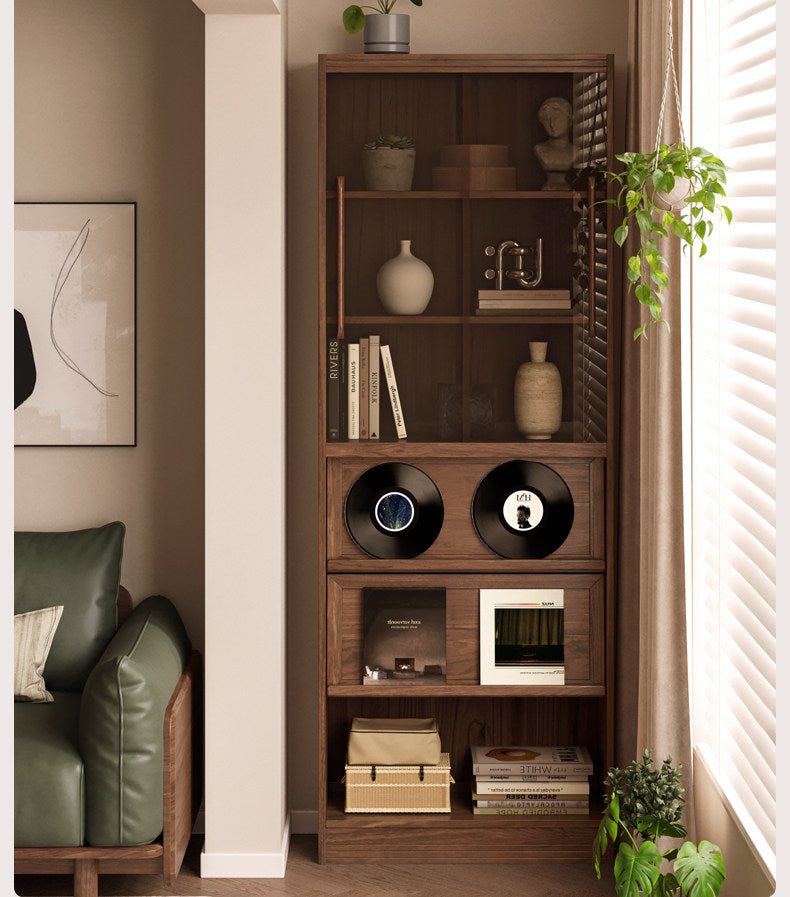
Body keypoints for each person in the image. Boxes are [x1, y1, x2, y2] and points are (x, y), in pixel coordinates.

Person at [534, 96, 574, 190]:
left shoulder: (577, 151)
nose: (552, 124)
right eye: (547, 120)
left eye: (556, 118)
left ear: (569, 120)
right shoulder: (539, 149)